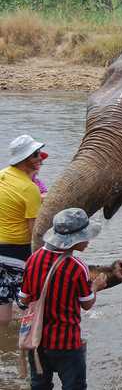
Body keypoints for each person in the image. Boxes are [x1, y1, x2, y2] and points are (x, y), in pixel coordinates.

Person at [18, 208, 107, 390]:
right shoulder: (77, 267)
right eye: (85, 236)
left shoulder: (33, 259)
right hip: (66, 343)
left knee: (39, 386)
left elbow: (24, 299)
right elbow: (87, 304)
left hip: (37, 342)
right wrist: (96, 287)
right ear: (73, 240)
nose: (88, 241)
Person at [0, 135, 46, 327]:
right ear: (26, 158)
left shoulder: (2, 175)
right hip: (18, 252)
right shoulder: (29, 189)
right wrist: (42, 262)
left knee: (2, 306)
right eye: (36, 154)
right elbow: (33, 232)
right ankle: (26, 349)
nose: (41, 158)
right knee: (30, 305)